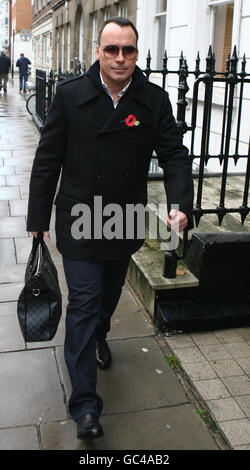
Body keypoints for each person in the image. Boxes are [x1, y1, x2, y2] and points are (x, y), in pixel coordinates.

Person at [27, 17, 194, 439]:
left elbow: (174, 156)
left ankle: (100, 334)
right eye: (111, 50)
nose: (120, 58)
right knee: (82, 303)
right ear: (98, 52)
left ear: (137, 54)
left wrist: (179, 205)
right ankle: (85, 403)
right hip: (80, 217)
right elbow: (47, 160)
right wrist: (36, 220)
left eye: (128, 50)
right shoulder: (69, 96)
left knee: (106, 297)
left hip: (124, 219)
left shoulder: (153, 100)